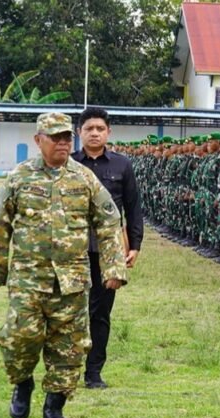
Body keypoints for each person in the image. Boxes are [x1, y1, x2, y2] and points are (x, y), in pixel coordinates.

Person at [0, 112, 127, 418]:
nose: (62, 143)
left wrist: (113, 267)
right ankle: (22, 383)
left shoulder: (84, 178)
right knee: (20, 338)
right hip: (28, 279)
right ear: (38, 140)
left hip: (71, 281)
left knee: (69, 347)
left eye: (66, 138)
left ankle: (54, 406)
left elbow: (109, 222)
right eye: (55, 137)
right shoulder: (19, 177)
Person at [72, 107, 144, 389]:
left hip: (108, 250)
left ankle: (94, 372)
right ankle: (69, 367)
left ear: (108, 132)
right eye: (89, 128)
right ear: (79, 132)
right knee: (71, 311)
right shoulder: (69, 163)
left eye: (100, 129)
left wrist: (135, 245)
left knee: (100, 312)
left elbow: (133, 207)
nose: (95, 133)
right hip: (74, 248)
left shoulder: (122, 165)